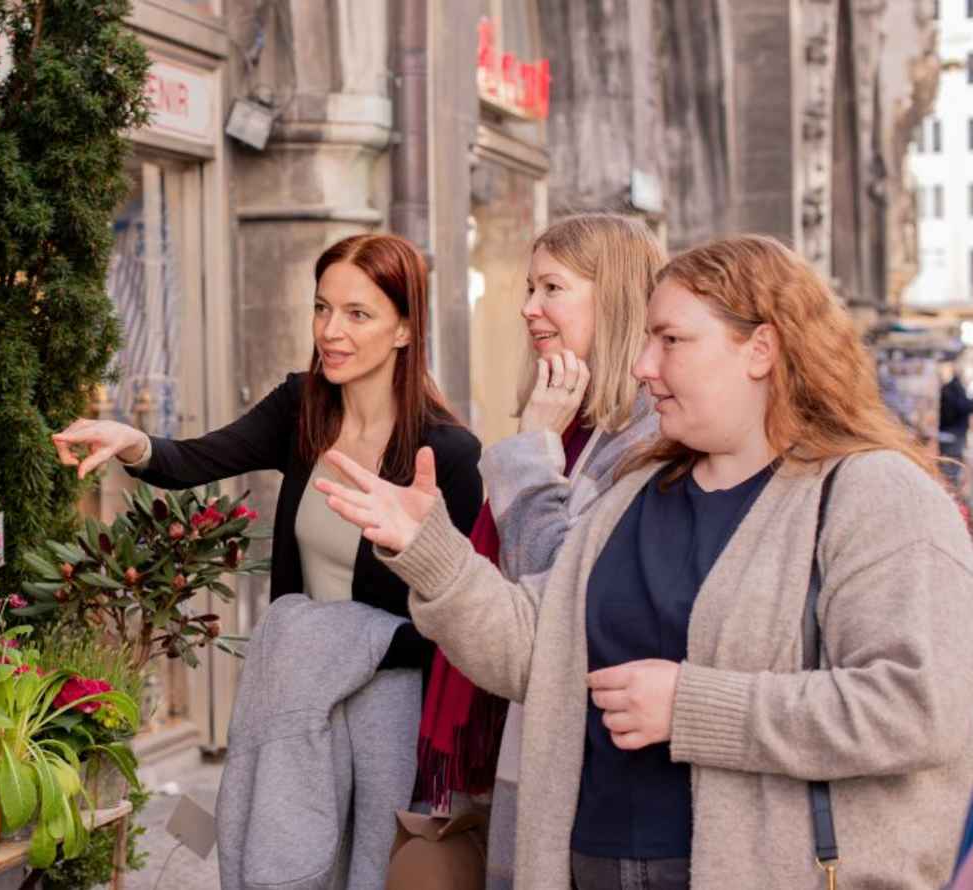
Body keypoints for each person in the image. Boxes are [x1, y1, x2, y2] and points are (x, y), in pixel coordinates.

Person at [318, 234, 973, 889]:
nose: (642, 367)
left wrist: (693, 707)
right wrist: (430, 552)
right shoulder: (635, 494)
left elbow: (919, 709)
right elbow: (540, 658)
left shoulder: (874, 494)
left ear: (761, 349)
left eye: (671, 340)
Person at [51, 231, 484, 669]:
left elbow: (460, 620)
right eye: (322, 308)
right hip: (297, 687)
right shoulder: (300, 406)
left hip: (394, 709)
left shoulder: (448, 454)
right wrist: (131, 440)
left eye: (357, 314)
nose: (331, 331)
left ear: (404, 329)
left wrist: (346, 647)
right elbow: (191, 461)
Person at [406, 215, 662, 890]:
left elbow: (554, 593)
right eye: (528, 286)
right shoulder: (573, 421)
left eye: (552, 287)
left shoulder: (647, 438)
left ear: (615, 299)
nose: (528, 307)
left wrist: (530, 451)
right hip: (532, 734)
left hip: (596, 761)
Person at [939, 359, 973, 493]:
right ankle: (951, 492)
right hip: (953, 433)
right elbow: (961, 406)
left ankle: (951, 491)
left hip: (949, 432)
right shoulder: (954, 388)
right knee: (951, 467)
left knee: (950, 466)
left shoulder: (950, 388)